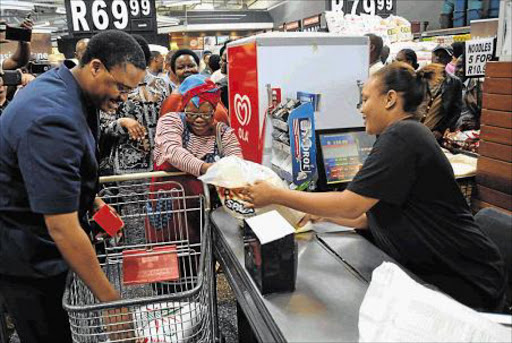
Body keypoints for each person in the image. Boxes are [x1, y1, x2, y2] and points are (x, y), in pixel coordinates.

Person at [242, 62, 506, 312]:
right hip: (443, 276)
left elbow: (350, 203)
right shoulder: (401, 136)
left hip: (465, 283)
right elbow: (369, 216)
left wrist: (276, 195)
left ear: (390, 99)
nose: (361, 108)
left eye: (365, 99)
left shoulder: (403, 136)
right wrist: (322, 213)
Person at [0, 30, 146, 342]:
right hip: (28, 256)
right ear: (95, 66)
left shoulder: (69, 85)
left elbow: (68, 167)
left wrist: (94, 203)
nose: (123, 98)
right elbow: (62, 228)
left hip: (38, 240)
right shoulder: (51, 119)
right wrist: (113, 304)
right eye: (120, 87)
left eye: (129, 90)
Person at [99, 34, 168, 176]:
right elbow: (103, 127)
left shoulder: (161, 85)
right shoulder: (112, 87)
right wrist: (122, 122)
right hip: (128, 166)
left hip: (163, 162)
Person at [154, 74, 241, 176]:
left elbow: (236, 160)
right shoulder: (170, 121)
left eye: (206, 114)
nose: (199, 120)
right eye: (192, 114)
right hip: (172, 189)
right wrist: (208, 169)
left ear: (214, 113)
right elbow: (172, 151)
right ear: (184, 110)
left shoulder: (223, 133)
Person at [419, 61, 462, 141]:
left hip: (432, 133)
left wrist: (440, 130)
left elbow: (455, 111)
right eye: (437, 55)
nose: (439, 58)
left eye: (443, 56)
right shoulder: (420, 77)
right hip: (414, 129)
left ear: (449, 59)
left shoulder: (453, 82)